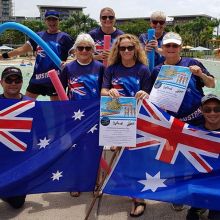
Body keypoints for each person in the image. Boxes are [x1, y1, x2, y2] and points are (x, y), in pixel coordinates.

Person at [149, 32, 215, 211]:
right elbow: (153, 97)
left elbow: (211, 84)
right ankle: (178, 195)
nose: (171, 49)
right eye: (168, 45)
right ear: (163, 48)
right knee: (176, 161)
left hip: (197, 120)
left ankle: (201, 196)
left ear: (180, 47)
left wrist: (201, 74)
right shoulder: (157, 70)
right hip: (173, 123)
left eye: (175, 46)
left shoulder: (193, 64)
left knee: (199, 159)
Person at [101, 34, 152, 217]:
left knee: (136, 159)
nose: (127, 51)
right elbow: (103, 91)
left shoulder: (143, 70)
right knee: (117, 157)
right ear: (118, 50)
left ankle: (139, 198)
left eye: (130, 47)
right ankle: (124, 190)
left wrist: (144, 94)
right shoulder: (111, 69)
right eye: (123, 48)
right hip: (116, 118)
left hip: (137, 119)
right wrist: (110, 91)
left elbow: (149, 94)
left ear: (136, 49)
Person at [60, 33, 105, 197]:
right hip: (75, 117)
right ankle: (76, 181)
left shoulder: (100, 67)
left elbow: (103, 91)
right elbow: (61, 91)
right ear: (75, 50)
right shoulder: (68, 68)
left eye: (88, 48)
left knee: (95, 150)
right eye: (81, 48)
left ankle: (96, 182)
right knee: (76, 150)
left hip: (94, 116)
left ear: (93, 50)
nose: (84, 51)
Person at [0, 10, 75, 101]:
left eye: (54, 19)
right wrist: (4, 56)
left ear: (59, 21)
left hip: (56, 79)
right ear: (45, 21)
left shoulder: (65, 37)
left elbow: (77, 54)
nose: (52, 22)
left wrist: (69, 65)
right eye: (49, 19)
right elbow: (22, 49)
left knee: (57, 110)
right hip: (37, 78)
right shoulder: (38, 36)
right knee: (25, 105)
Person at [0, 66, 35, 208]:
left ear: (22, 82)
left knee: (17, 203)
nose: (13, 83)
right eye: (9, 80)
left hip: (19, 159)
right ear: (1, 82)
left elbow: (43, 131)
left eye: (17, 80)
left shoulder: (32, 104)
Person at [186, 93, 220, 220]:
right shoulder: (195, 133)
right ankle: (198, 205)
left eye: (217, 109)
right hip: (202, 180)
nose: (213, 113)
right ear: (201, 111)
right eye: (207, 109)